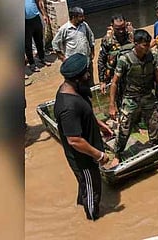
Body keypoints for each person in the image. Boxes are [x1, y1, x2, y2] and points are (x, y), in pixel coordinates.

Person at [54, 53, 118, 221]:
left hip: (88, 152)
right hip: (83, 159)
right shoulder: (68, 106)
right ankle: (92, 223)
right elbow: (74, 140)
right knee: (93, 189)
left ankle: (81, 205)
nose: (89, 75)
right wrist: (99, 155)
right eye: (86, 73)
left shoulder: (76, 90)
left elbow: (84, 113)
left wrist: (98, 124)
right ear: (76, 78)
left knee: (86, 186)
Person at [108, 29, 158, 162]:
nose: (148, 47)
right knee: (124, 127)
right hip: (130, 98)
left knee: (154, 124)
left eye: (148, 44)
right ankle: (118, 154)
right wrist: (112, 105)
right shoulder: (125, 59)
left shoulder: (153, 57)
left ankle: (155, 148)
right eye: (144, 45)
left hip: (147, 97)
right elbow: (114, 83)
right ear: (136, 44)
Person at [52, 7, 96, 86]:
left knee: (90, 82)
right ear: (73, 17)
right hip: (74, 65)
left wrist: (92, 51)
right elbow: (55, 44)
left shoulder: (84, 25)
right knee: (76, 84)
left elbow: (91, 37)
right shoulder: (64, 29)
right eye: (80, 17)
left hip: (86, 60)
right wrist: (63, 58)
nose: (83, 18)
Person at [97, 14, 134, 95]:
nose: (121, 31)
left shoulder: (133, 35)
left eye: (123, 28)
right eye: (118, 29)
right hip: (116, 77)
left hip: (133, 75)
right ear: (112, 26)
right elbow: (101, 60)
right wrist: (102, 81)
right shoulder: (107, 40)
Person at [25, 0, 51, 73]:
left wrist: (44, 15)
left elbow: (39, 3)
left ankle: (42, 58)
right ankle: (32, 64)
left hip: (36, 18)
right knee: (28, 44)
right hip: (25, 22)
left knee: (39, 40)